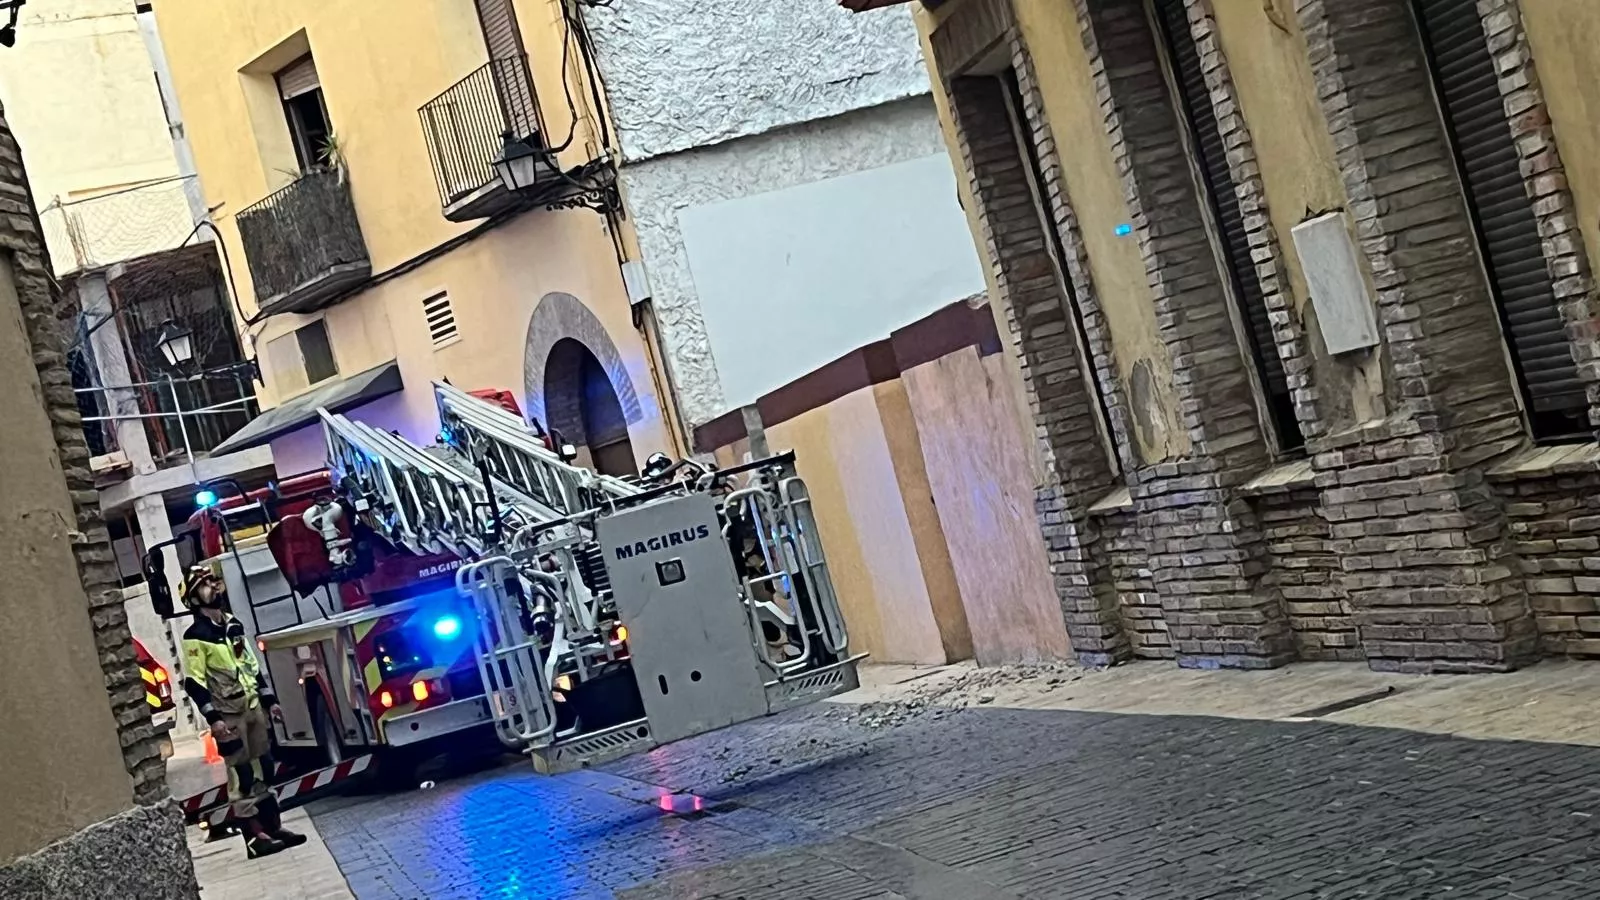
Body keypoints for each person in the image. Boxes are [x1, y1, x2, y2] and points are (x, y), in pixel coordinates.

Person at [179, 567, 307, 858]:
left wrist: (270, 700)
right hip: (229, 715)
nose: (214, 587)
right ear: (194, 598)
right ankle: (254, 837)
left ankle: (273, 827)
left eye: (214, 581)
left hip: (252, 709)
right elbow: (194, 682)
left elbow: (250, 665)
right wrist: (214, 719)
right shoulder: (195, 636)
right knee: (242, 774)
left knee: (265, 767)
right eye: (205, 584)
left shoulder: (233, 625)